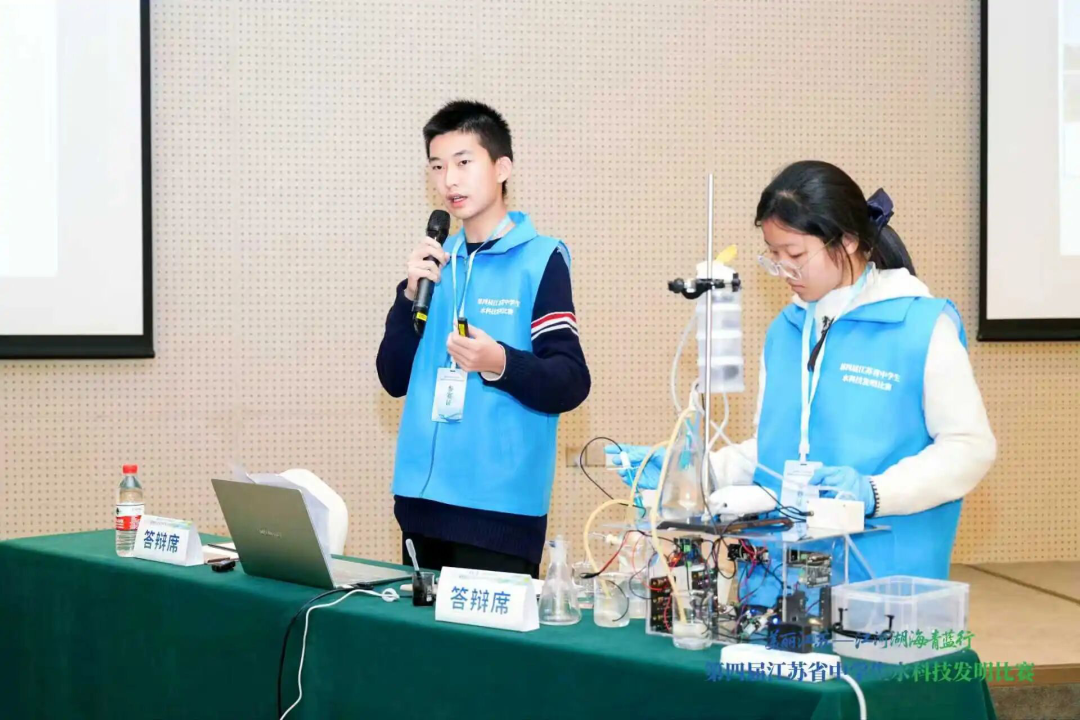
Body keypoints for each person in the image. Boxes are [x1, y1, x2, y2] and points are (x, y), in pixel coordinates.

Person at [610, 160, 996, 592]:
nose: (783, 271)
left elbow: (969, 448)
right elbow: (774, 447)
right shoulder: (787, 329)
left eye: (794, 255)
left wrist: (874, 492)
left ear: (847, 240)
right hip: (778, 581)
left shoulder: (920, 326)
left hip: (884, 584)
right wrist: (693, 472)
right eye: (773, 256)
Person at [377, 100, 590, 578]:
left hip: (499, 513)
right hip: (420, 507)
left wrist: (500, 362)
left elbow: (571, 381)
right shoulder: (434, 267)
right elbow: (392, 378)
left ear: (502, 168)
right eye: (437, 166)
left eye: (463, 162)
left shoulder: (541, 260)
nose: (449, 181)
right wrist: (408, 296)